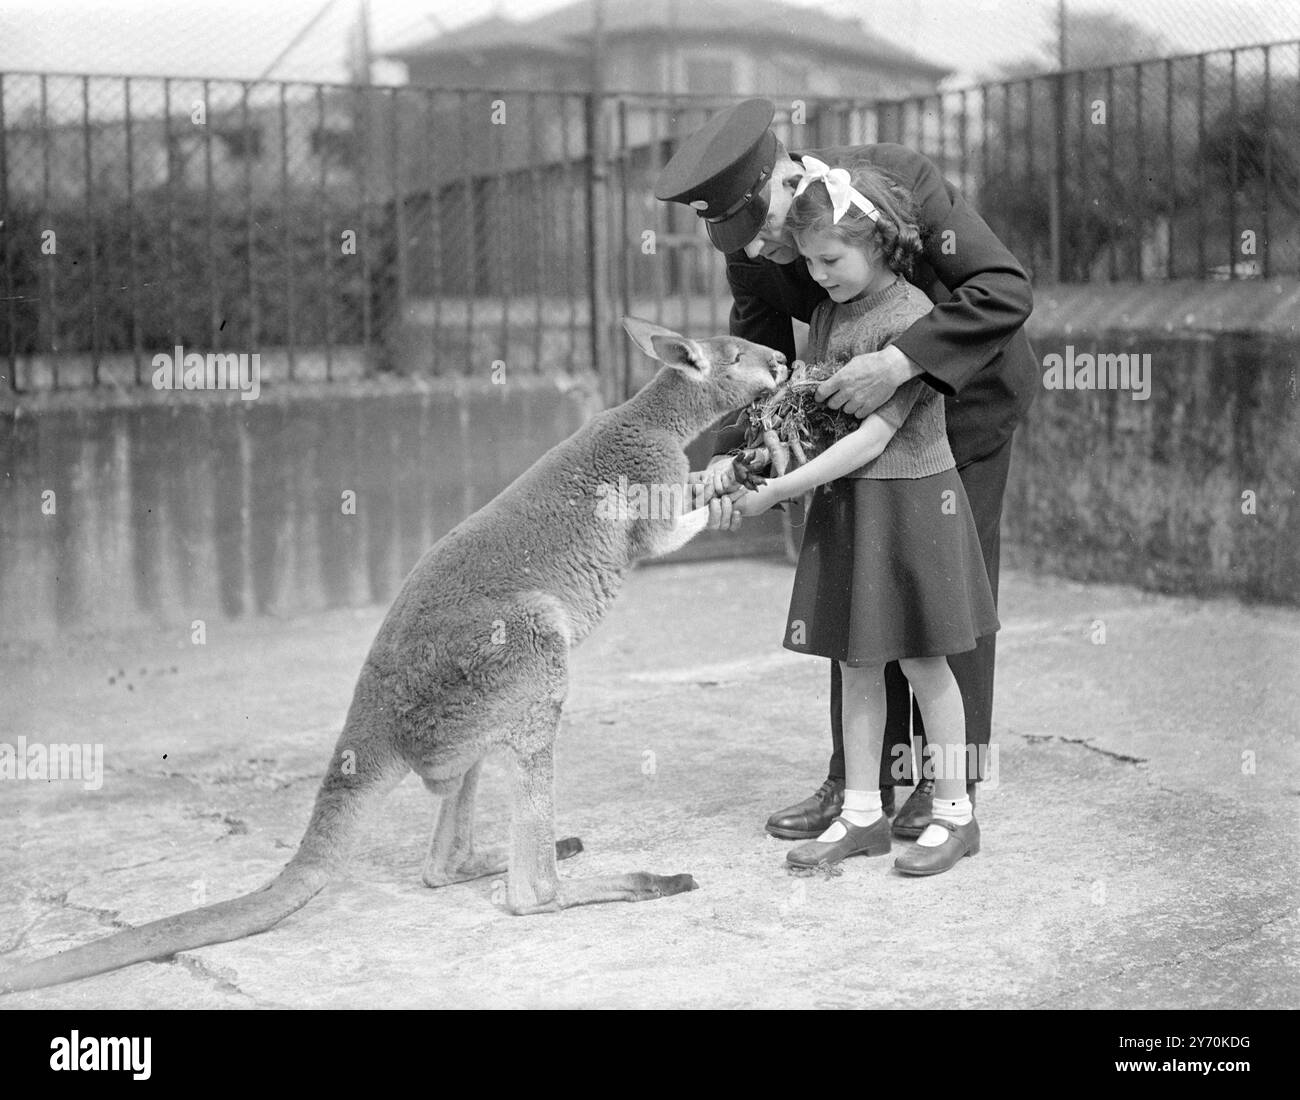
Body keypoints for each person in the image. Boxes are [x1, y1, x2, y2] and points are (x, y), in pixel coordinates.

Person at [658, 99, 1037, 841]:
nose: (766, 253)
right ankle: (858, 785)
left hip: (965, 411)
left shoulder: (899, 181)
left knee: (944, 604)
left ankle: (942, 785)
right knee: (863, 595)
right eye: (745, 242)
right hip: (860, 429)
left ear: (786, 176)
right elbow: (758, 367)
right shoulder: (751, 251)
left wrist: (900, 361)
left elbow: (1004, 288)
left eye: (765, 229)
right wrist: (735, 464)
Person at [727, 156, 997, 873]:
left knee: (925, 660)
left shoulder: (912, 319)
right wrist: (771, 456)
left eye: (831, 258)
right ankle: (861, 814)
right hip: (854, 506)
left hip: (909, 504)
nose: (817, 274)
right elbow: (820, 415)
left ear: (877, 244)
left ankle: (954, 813)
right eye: (810, 261)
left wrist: (786, 492)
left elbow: (875, 436)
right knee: (856, 662)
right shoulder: (826, 312)